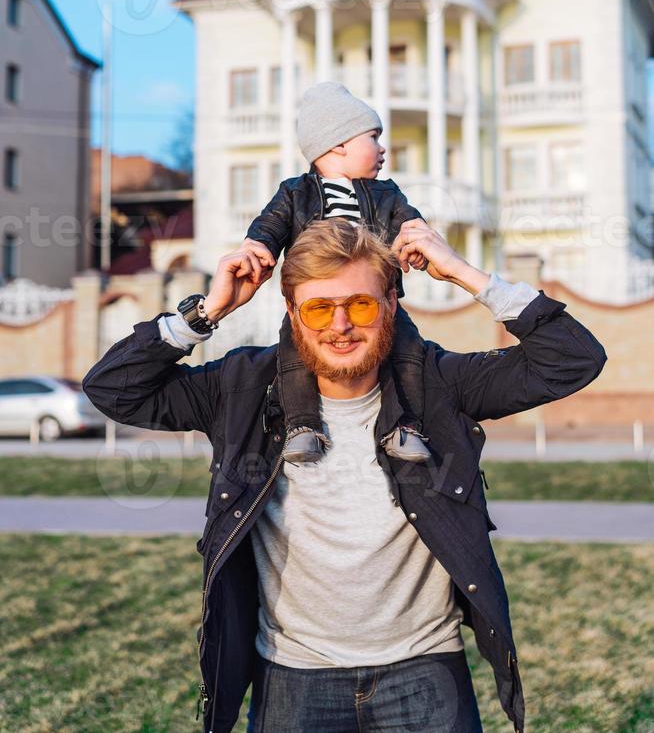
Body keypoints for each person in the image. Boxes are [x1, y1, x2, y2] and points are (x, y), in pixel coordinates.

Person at [82, 219, 607, 733]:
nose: (340, 325)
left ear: (391, 306)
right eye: (318, 308)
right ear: (292, 312)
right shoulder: (241, 387)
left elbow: (573, 359)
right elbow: (114, 389)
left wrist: (466, 274)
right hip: (293, 675)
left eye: (360, 304)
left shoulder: (439, 384)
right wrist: (207, 310)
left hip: (425, 670)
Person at [242, 80, 433, 465]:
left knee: (409, 352)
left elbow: (409, 222)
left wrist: (419, 240)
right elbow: (271, 223)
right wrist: (257, 246)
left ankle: (403, 425)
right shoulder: (296, 192)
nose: (383, 149)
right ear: (339, 143)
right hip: (316, 301)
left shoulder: (386, 193)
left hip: (376, 302)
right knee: (293, 355)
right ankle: (302, 425)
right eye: (374, 137)